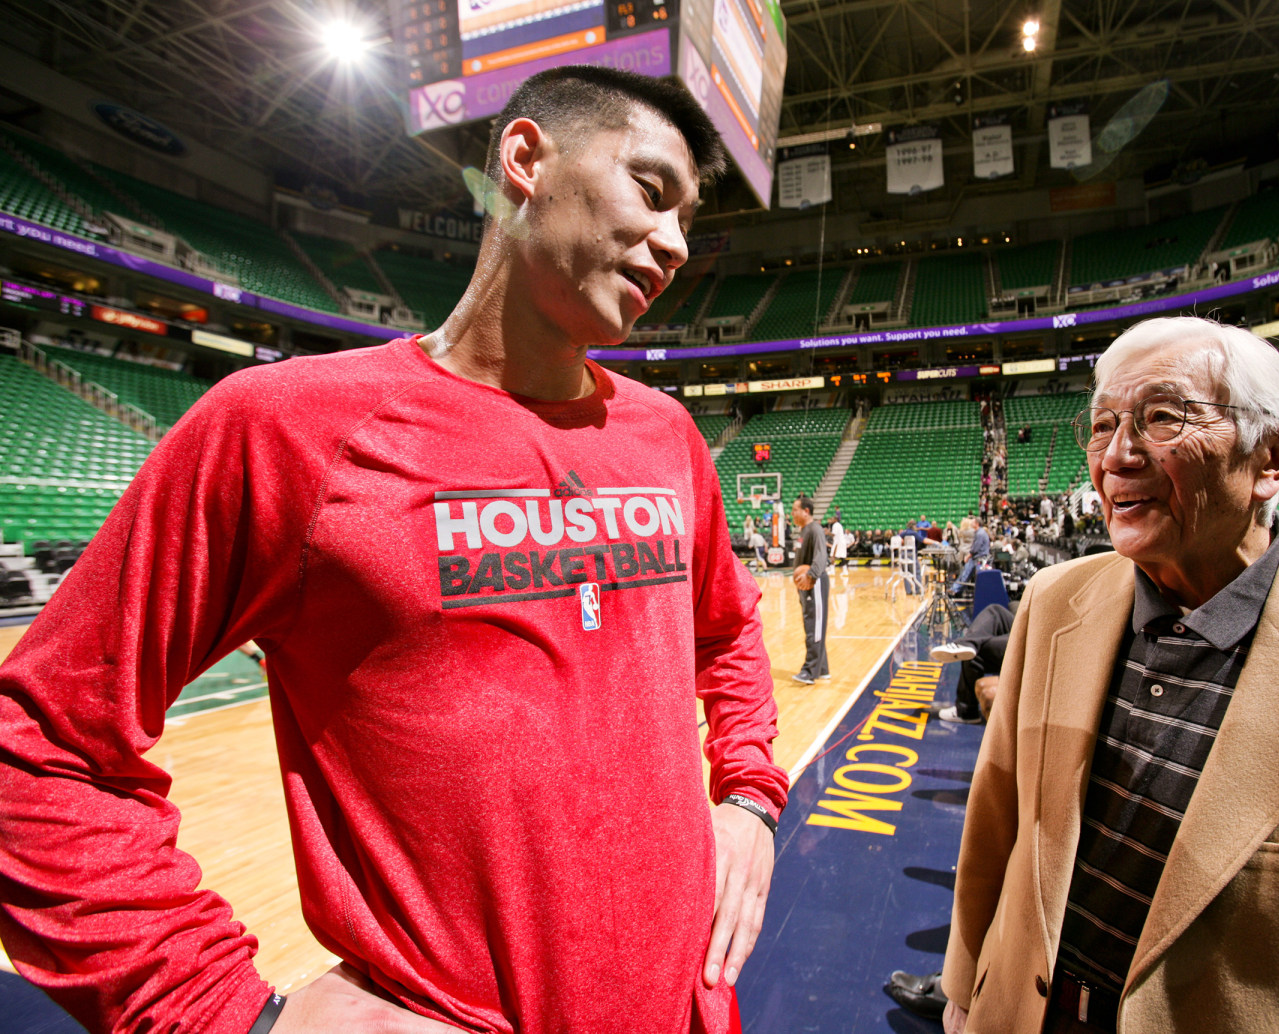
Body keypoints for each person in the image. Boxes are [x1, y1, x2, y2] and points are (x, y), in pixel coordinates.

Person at [0, 67, 788, 1034]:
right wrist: (228, 1015)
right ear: (526, 159)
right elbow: (37, 753)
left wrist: (748, 794)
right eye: (652, 191)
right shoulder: (283, 430)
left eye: (687, 222)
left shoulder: (666, 438)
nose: (674, 244)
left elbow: (729, 629)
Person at [941, 315, 1279, 1034]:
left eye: (1161, 418)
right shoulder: (1056, 601)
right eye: (1103, 424)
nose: (1117, 455)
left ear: (1273, 457)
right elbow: (999, 817)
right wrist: (964, 991)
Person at [930, 602, 1014, 725]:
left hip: (1040, 642)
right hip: (1034, 627)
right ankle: (966, 644)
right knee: (995, 611)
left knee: (976, 652)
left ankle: (966, 711)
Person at [790, 494, 830, 684]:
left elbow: (821, 557)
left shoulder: (815, 529)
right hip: (806, 586)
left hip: (815, 583)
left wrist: (810, 575)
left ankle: (809, 671)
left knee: (814, 626)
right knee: (813, 625)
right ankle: (822, 668)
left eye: (795, 509)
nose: (792, 513)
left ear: (806, 511)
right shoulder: (803, 531)